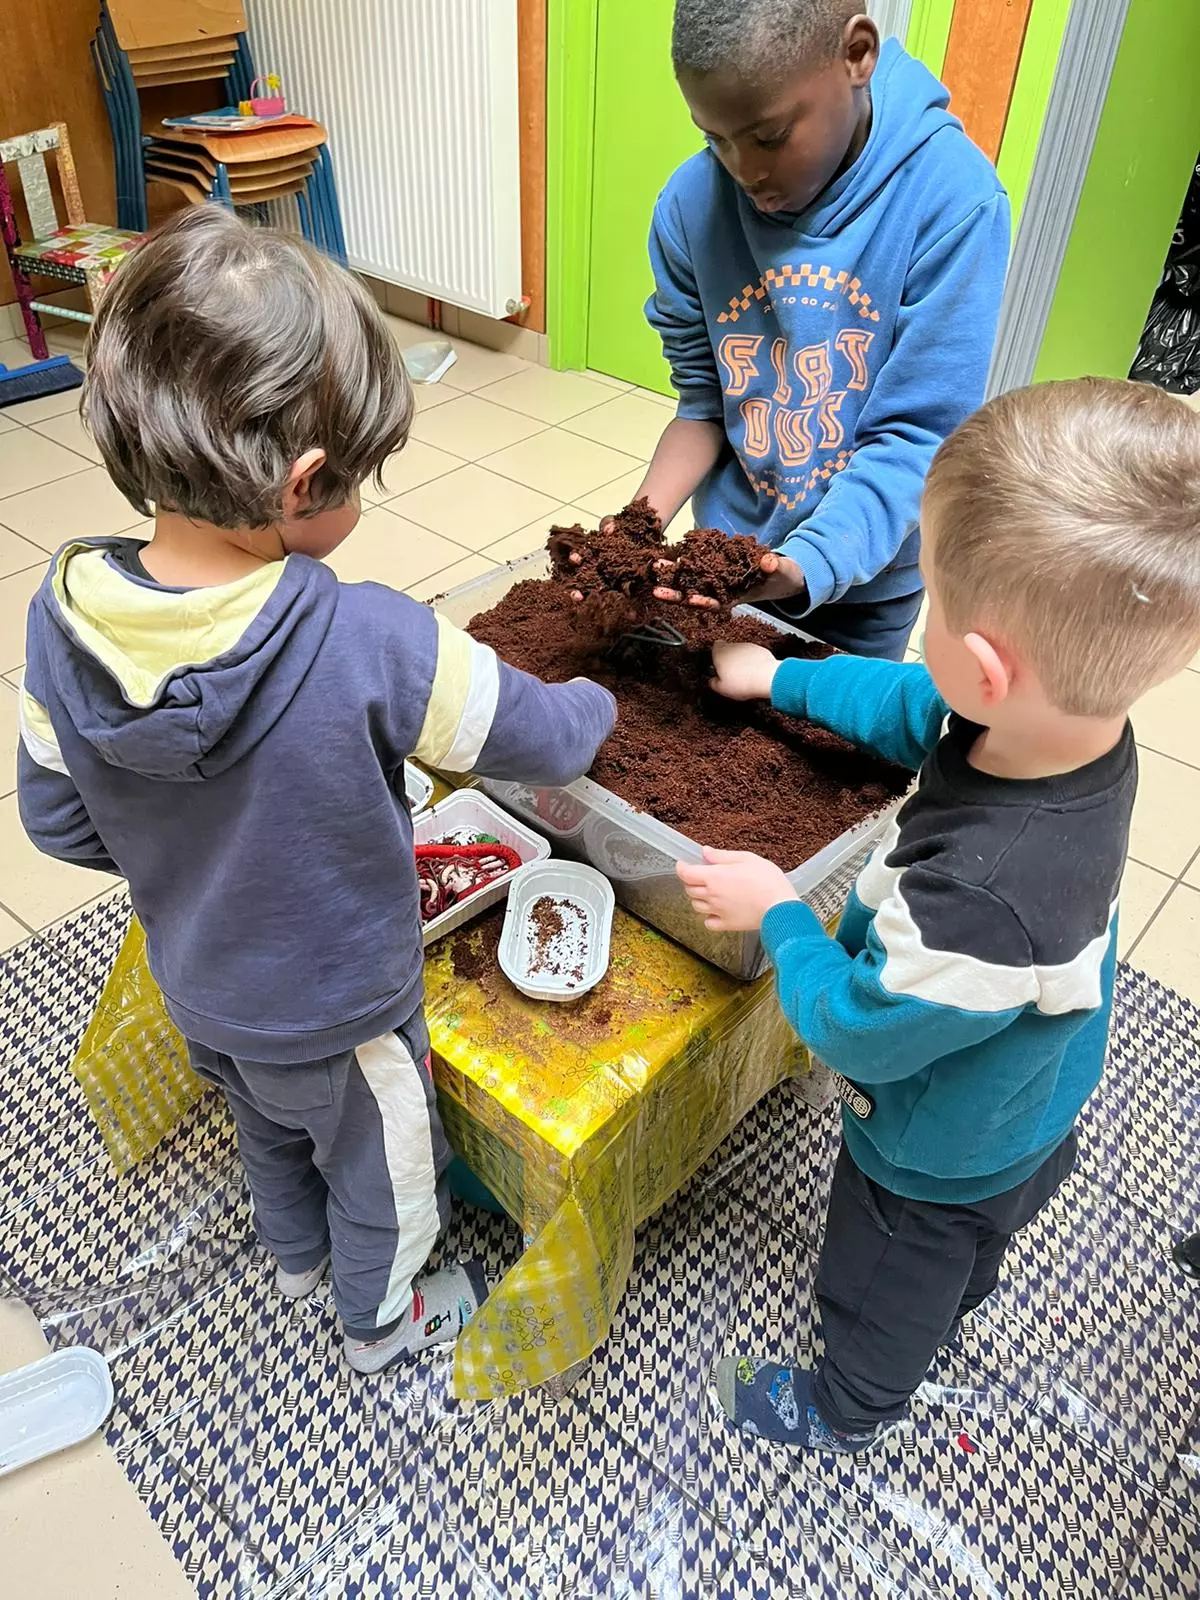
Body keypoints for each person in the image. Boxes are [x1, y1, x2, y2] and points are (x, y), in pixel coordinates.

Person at [17, 208, 616, 1375]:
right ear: (303, 486)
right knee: (380, 1156)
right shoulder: (373, 638)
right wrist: (598, 701)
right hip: (338, 1005)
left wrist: (189, 852)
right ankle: (376, 1318)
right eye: (364, 478)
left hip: (201, 984)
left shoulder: (57, 621)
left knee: (261, 1121)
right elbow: (533, 738)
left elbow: (55, 822)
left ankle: (293, 1257)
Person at [677, 378, 1200, 1450]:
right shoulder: (1068, 729)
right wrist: (781, 675)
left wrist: (780, 912)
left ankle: (852, 1403)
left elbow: (858, 1025)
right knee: (983, 1236)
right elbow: (914, 707)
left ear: (991, 669)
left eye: (936, 607)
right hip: (1040, 1085)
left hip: (937, 1146)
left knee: (885, 1275)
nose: (926, 629)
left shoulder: (981, 897)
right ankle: (962, 1288)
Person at [623, 0, 1009, 661]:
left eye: (769, 137)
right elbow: (701, 409)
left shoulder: (953, 202)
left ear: (858, 55)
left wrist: (802, 566)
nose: (746, 171)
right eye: (716, 139)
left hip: (865, 585)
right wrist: (636, 528)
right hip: (730, 567)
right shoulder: (689, 207)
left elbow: (916, 439)